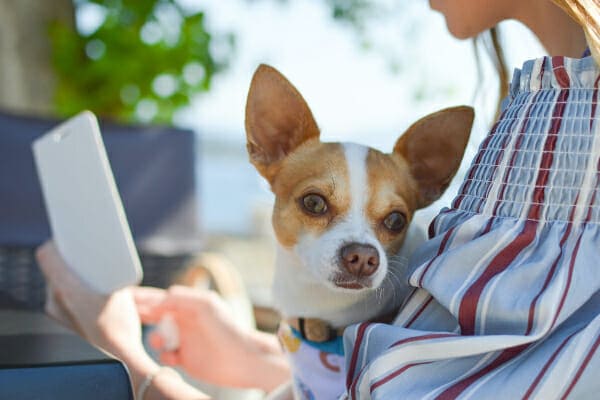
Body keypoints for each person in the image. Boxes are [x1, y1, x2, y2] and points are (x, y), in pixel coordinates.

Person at [37, 0, 600, 398]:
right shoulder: (539, 108)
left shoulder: (580, 129)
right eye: (316, 204)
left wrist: (125, 363)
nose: (364, 250)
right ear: (267, 152)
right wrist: (268, 356)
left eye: (392, 222)